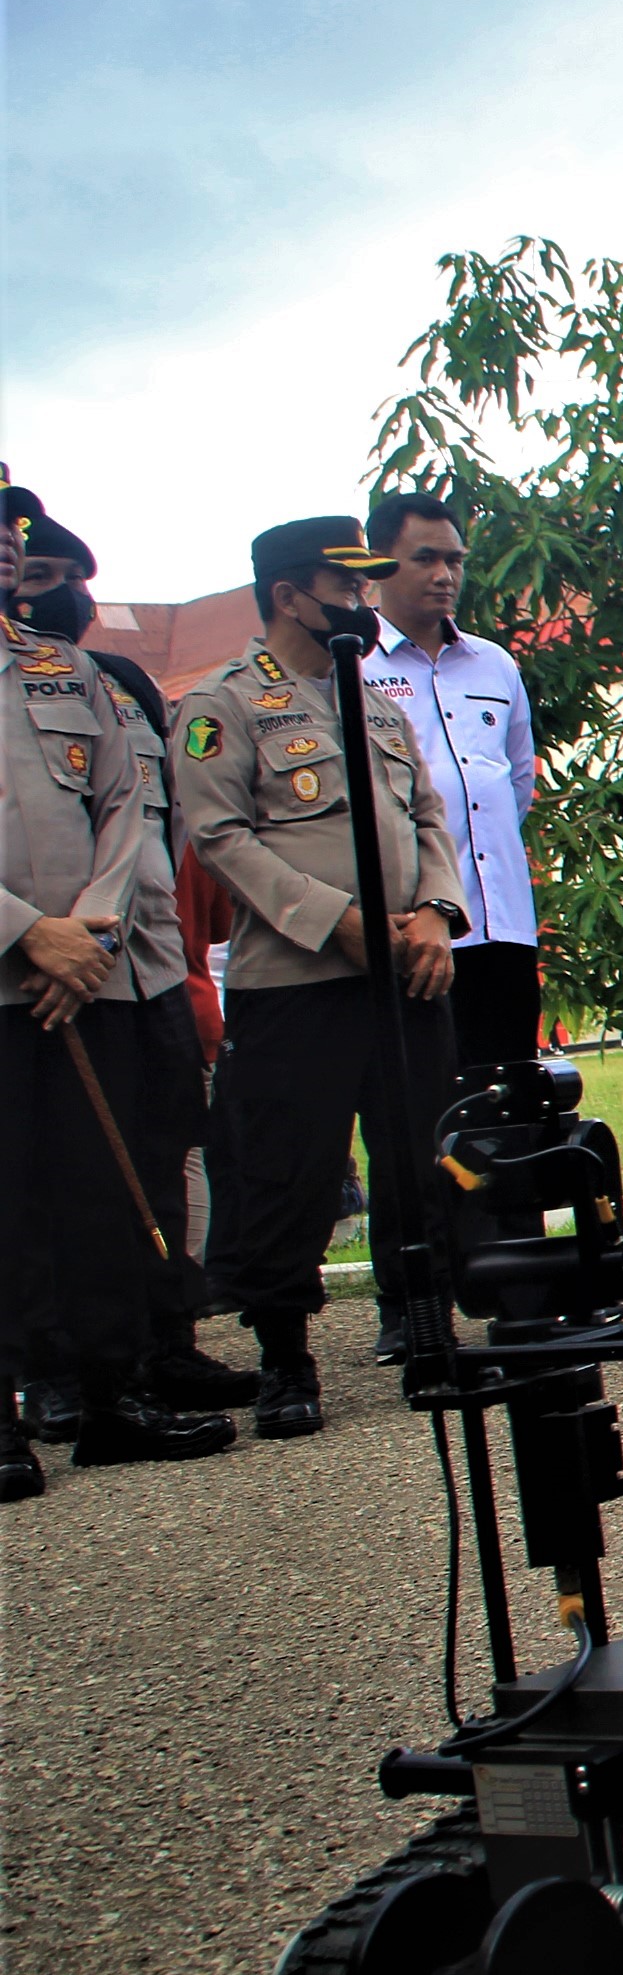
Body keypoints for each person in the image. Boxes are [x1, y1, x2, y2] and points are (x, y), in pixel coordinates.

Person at [172, 517, 467, 1439]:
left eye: (367, 583)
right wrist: (333, 924)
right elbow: (220, 840)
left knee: (422, 1156)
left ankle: (427, 1326)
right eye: (346, 586)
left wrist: (435, 914)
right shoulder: (222, 704)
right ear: (289, 596)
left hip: (406, 971)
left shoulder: (376, 700)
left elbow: (427, 814)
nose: (363, 600)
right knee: (285, 1172)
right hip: (297, 978)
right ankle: (285, 1358)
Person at [3, 485, 259, 1424]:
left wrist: (92, 927)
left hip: (120, 969)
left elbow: (135, 815)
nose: (46, 586)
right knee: (24, 1195)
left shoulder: (89, 677)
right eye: (35, 571)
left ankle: (145, 1366)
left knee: (127, 1178)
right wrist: (32, 934)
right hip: (27, 975)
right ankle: (37, 1387)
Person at [360, 493, 545, 1065]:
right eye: (425, 559)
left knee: (512, 1098)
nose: (445, 576)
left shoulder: (494, 664)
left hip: (503, 922)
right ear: (378, 562)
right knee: (432, 1102)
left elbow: (516, 783)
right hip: (417, 933)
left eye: (455, 560)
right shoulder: (353, 666)